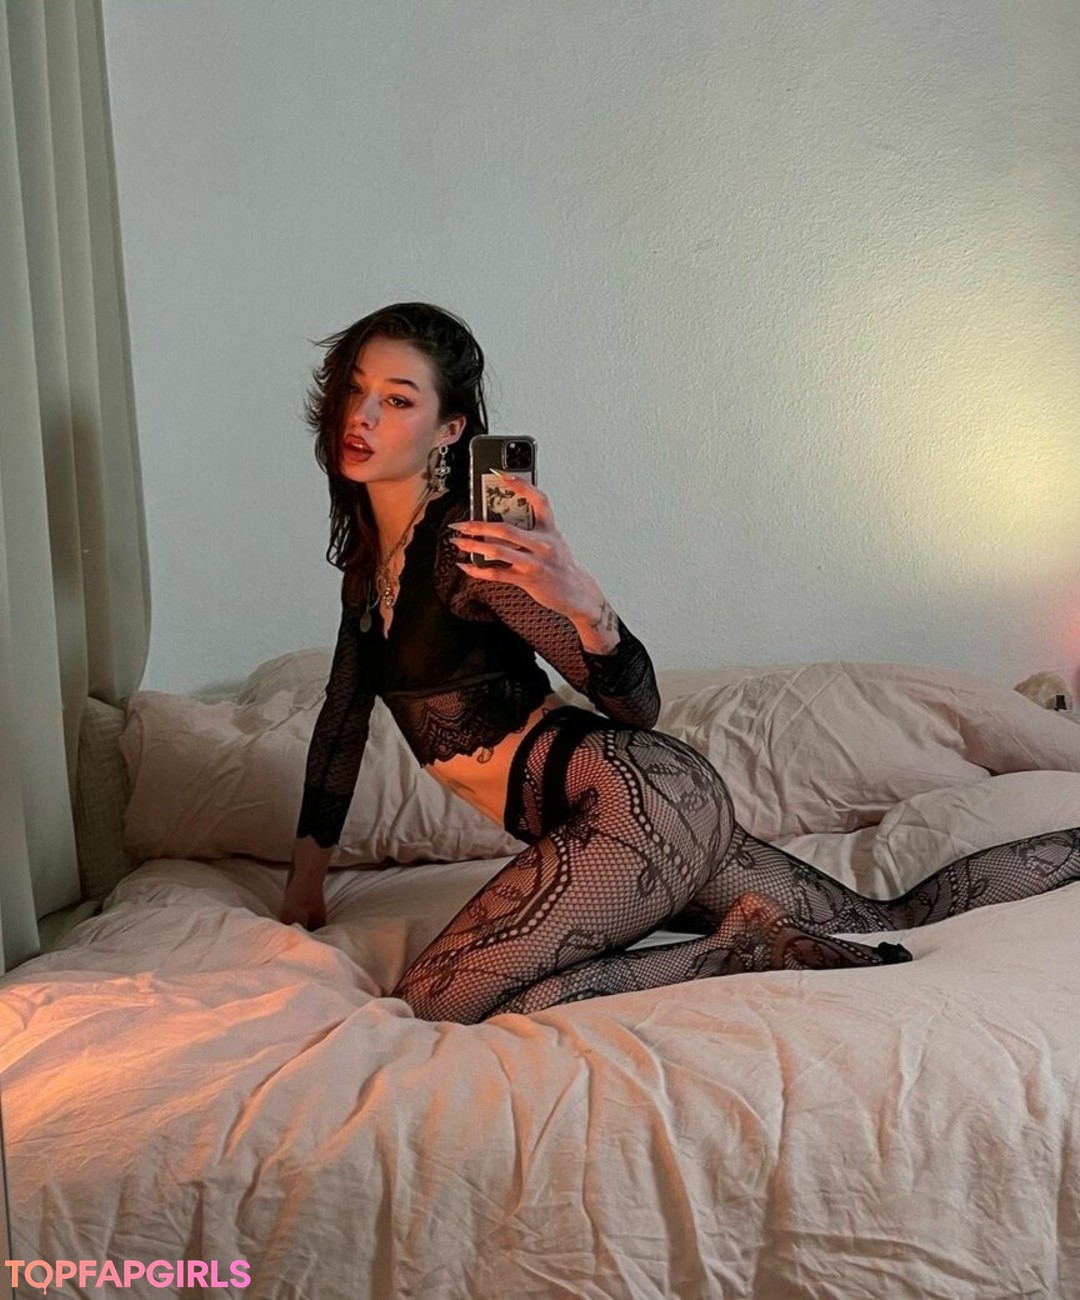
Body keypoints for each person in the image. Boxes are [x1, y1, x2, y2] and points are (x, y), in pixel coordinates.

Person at [281, 302, 1080, 1023]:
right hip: (646, 813)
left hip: (633, 804)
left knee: (434, 997)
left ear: (449, 430)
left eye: (398, 399)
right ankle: (753, 940)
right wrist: (304, 887)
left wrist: (585, 603)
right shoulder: (367, 572)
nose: (363, 415)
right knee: (886, 919)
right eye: (356, 390)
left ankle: (731, 952)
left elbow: (637, 708)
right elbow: (341, 723)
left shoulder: (472, 548)